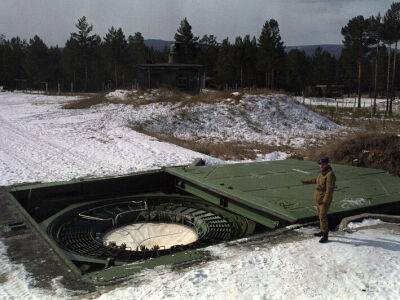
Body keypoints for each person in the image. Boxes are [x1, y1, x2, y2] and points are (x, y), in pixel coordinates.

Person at [301, 157, 336, 243]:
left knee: (323, 216)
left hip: (324, 199)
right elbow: (316, 180)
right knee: (320, 215)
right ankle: (322, 231)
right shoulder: (322, 173)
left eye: (323, 164)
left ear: (327, 164)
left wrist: (325, 200)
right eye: (320, 164)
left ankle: (325, 235)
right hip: (318, 197)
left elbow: (329, 189)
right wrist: (306, 181)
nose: (321, 166)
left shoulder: (330, 174)